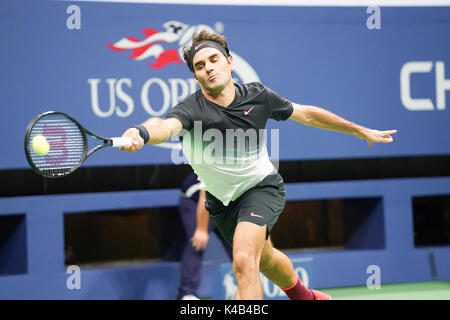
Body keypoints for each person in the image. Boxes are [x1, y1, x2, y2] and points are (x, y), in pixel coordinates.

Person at [120, 30, 397, 300]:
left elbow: (307, 115)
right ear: (196, 76)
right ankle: (306, 298)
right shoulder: (192, 109)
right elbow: (164, 126)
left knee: (243, 260)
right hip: (222, 202)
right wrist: (139, 132)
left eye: (214, 60)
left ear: (230, 62)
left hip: (261, 188)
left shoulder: (257, 96)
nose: (208, 68)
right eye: (200, 66)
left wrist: (357, 129)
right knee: (265, 259)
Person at [177, 171, 232, 300]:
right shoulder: (222, 162)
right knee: (197, 244)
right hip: (196, 200)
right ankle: (187, 293)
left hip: (223, 204)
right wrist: (201, 230)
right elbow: (205, 195)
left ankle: (248, 286)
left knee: (239, 245)